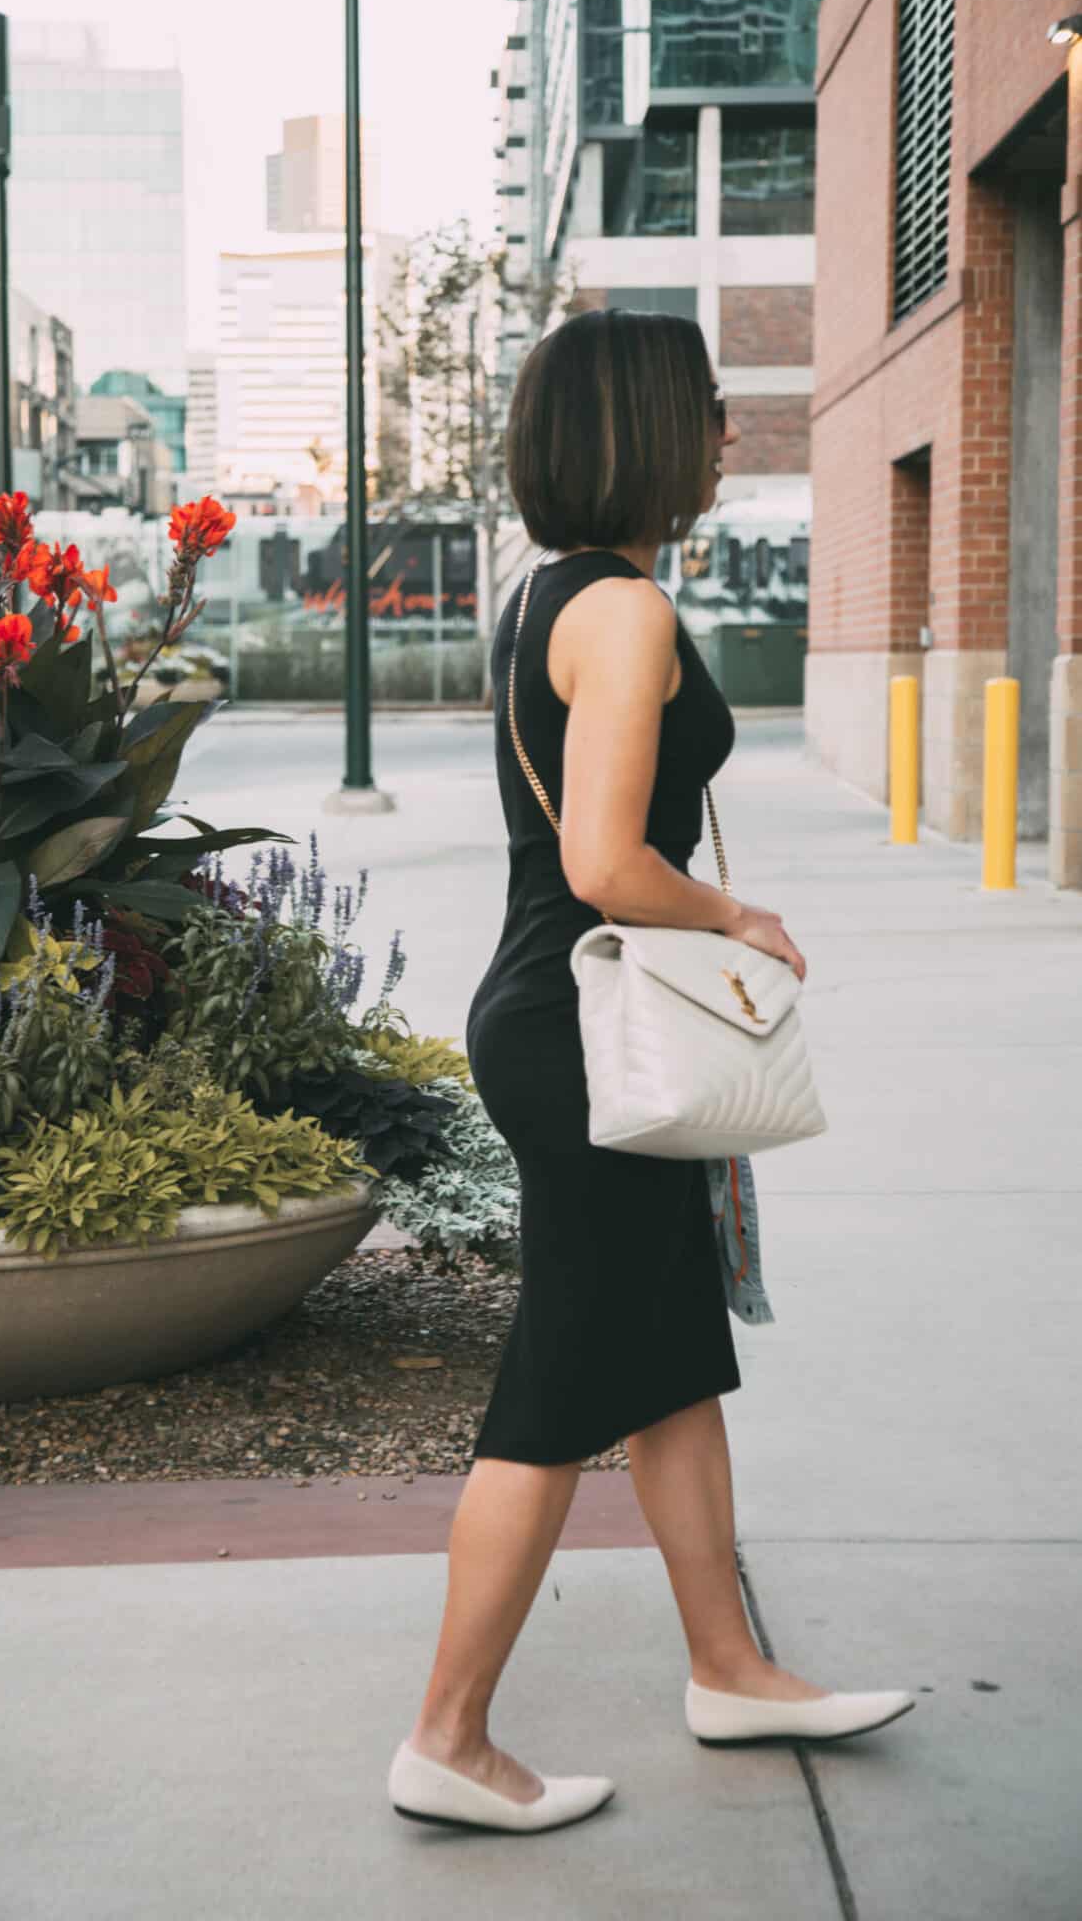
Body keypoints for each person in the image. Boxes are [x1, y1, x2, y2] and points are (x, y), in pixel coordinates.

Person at [387, 309, 914, 1837]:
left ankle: (728, 1666)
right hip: (583, 1027)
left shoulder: (559, 594)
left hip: (559, 1016)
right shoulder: (619, 613)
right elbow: (608, 860)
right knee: (560, 1382)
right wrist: (734, 911)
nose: (720, 431)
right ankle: (447, 1738)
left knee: (670, 1354)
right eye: (700, 405)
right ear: (636, 429)